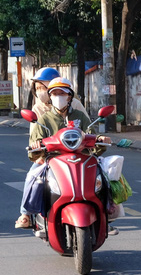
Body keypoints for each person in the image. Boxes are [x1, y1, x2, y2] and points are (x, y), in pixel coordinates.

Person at [15, 77, 93, 229]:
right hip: (52, 161)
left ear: (69, 96)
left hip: (80, 158)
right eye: (55, 93)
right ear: (50, 96)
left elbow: (91, 133)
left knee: (104, 173)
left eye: (62, 93)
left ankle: (107, 211)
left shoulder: (80, 116)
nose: (59, 97)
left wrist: (98, 138)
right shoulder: (43, 119)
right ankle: (25, 213)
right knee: (32, 177)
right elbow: (34, 142)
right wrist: (36, 146)